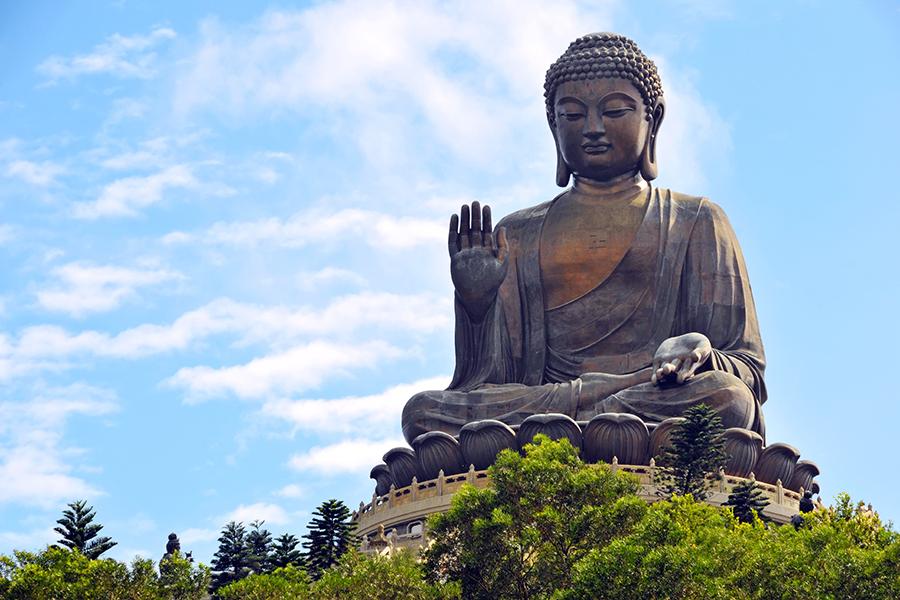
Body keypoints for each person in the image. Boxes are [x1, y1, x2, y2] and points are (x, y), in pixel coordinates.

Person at [402, 33, 766, 445]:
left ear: (653, 120)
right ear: (552, 125)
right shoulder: (517, 233)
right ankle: (584, 426)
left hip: (649, 395)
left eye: (614, 111)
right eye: (573, 116)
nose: (593, 129)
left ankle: (573, 430)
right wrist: (477, 305)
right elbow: (485, 383)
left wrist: (700, 349)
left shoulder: (696, 219)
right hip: (546, 404)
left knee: (726, 399)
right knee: (422, 413)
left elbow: (745, 370)